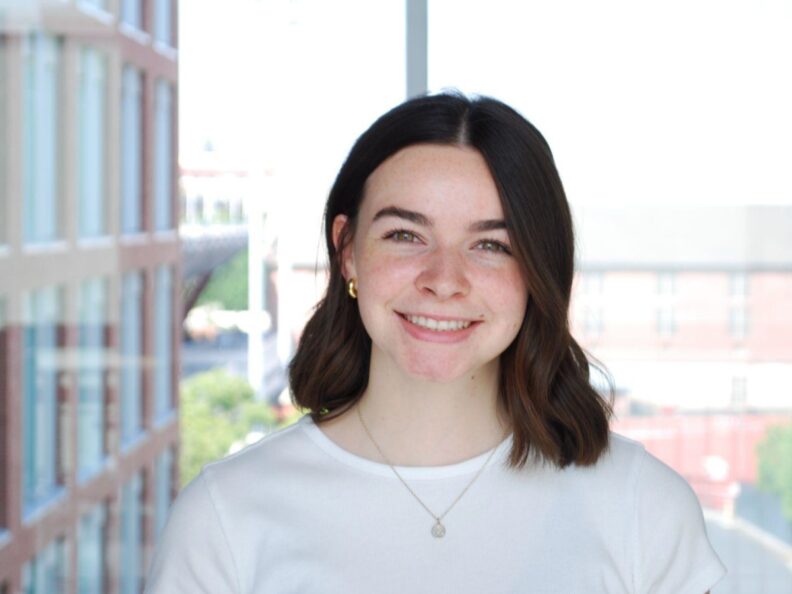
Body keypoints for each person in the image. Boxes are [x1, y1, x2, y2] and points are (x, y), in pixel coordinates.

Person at [144, 92, 727, 594]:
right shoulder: (224, 518)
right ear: (347, 249)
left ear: (538, 270)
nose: (444, 279)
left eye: (491, 245)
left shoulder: (642, 509)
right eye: (405, 234)